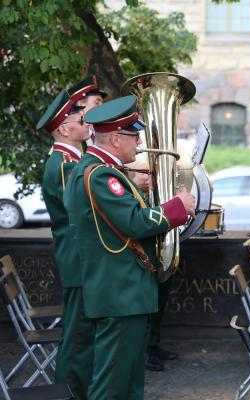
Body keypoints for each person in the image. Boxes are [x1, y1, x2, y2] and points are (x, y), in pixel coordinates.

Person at [64, 95, 196, 400]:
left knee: (129, 381)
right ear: (114, 138)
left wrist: (135, 184)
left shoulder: (100, 170)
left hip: (122, 291)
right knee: (112, 385)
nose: (138, 143)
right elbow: (135, 222)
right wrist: (178, 207)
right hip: (120, 291)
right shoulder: (101, 175)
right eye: (134, 135)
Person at [37, 90, 94, 398]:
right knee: (77, 336)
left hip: (80, 256)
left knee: (83, 332)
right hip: (77, 257)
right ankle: (67, 393)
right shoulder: (62, 164)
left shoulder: (74, 159)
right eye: (80, 119)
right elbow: (85, 204)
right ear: (64, 129)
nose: (87, 123)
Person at [126, 157, 179, 372]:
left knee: (159, 299)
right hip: (138, 252)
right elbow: (134, 219)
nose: (137, 140)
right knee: (148, 304)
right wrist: (136, 185)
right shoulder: (107, 172)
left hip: (155, 246)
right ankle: (146, 350)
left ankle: (153, 344)